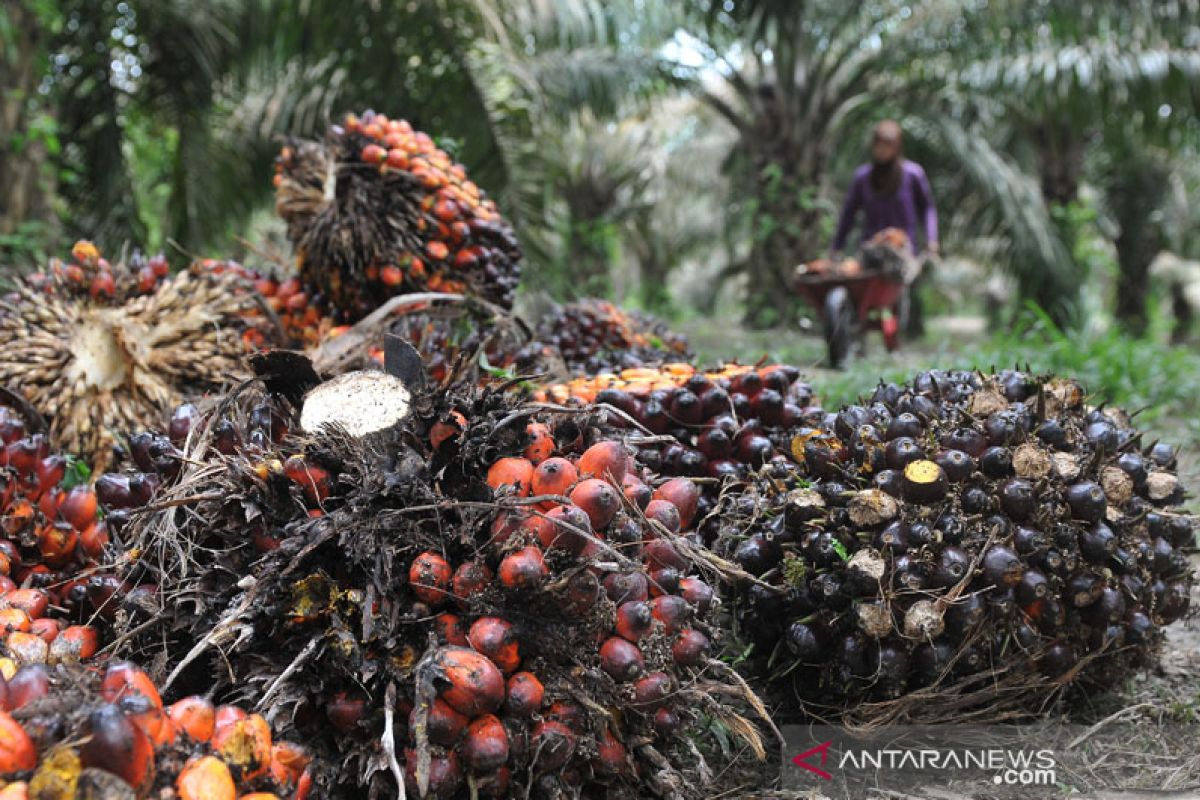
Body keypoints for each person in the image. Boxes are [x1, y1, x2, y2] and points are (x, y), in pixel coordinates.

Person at [831, 120, 939, 258]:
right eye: (879, 145)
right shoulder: (863, 177)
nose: (882, 150)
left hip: (903, 252)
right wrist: (836, 247)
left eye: (887, 146)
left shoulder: (913, 174)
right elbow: (848, 213)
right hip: (870, 252)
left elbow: (927, 208)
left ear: (896, 148)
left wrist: (932, 240)